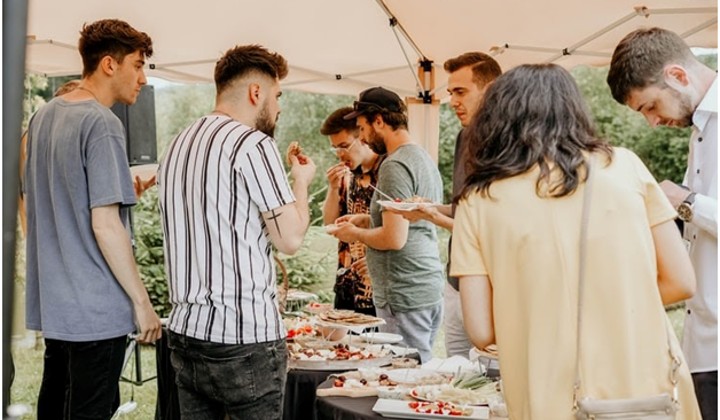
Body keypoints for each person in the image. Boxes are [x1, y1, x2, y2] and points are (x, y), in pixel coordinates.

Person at [451, 64, 701, 419]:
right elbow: (680, 281)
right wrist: (609, 307)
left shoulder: (478, 200)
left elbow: (480, 329)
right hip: (646, 391)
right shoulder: (626, 167)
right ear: (574, 110)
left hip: (543, 395)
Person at [157, 44, 316, 419]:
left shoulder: (177, 145)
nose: (278, 108)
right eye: (277, 96)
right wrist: (302, 183)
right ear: (255, 92)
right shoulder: (252, 144)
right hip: (244, 337)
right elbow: (290, 239)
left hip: (186, 332)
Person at [23, 19, 162, 419]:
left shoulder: (42, 118)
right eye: (137, 65)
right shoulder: (103, 125)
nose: (143, 77)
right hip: (95, 314)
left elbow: (45, 205)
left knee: (54, 408)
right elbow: (104, 224)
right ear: (108, 64)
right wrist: (143, 303)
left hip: (57, 309)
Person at [607, 27, 717, 419]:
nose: (652, 122)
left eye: (650, 106)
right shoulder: (700, 129)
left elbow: (695, 207)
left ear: (678, 76)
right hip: (700, 338)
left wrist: (685, 201)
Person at [391, 52, 501, 358]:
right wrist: (431, 209)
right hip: (456, 280)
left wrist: (434, 217)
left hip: (492, 284)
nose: (452, 101)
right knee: (457, 374)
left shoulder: (511, 145)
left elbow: (492, 231)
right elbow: (465, 211)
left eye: (460, 92)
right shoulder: (464, 137)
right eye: (450, 92)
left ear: (491, 89)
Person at [331, 87, 444, 362]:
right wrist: (367, 219)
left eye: (362, 128)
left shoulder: (394, 165)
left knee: (406, 373)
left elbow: (395, 239)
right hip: (425, 285)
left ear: (379, 120)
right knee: (420, 365)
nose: (363, 138)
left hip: (402, 292)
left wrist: (354, 233)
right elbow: (411, 219)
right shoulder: (421, 157)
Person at [321, 107, 385, 316]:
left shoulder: (388, 172)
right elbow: (330, 222)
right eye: (335, 149)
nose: (340, 154)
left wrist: (377, 261)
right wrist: (332, 188)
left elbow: (401, 230)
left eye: (344, 146)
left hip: (377, 288)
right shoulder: (349, 175)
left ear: (363, 137)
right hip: (346, 286)